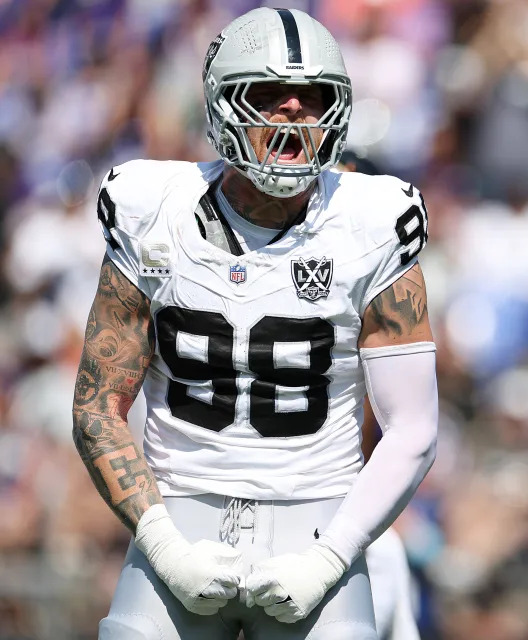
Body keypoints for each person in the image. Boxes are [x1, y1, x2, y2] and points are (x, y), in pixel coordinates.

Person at [71, 8, 437, 639]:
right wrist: (164, 547)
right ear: (222, 107)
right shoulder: (151, 210)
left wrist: (330, 558)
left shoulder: (374, 220)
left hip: (318, 520)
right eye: (269, 96)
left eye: (313, 98)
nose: (294, 113)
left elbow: (414, 427)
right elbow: (96, 404)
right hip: (179, 512)